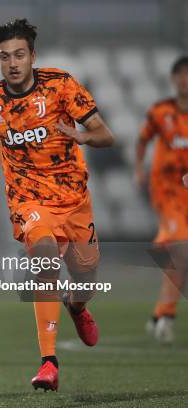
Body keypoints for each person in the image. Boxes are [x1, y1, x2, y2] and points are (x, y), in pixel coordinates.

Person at [0, 19, 114, 391]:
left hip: (74, 201)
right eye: (4, 57)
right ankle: (48, 362)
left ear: (32, 56)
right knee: (45, 257)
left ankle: (77, 305)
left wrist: (80, 135)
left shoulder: (61, 85)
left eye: (19, 54)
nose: (12, 63)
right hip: (27, 199)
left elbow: (106, 134)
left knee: (86, 281)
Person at [137, 56, 188, 344]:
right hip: (167, 191)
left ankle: (160, 314)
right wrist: (137, 169)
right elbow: (143, 139)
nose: (185, 80)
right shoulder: (161, 112)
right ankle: (166, 316)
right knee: (181, 248)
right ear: (173, 79)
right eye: (180, 74)